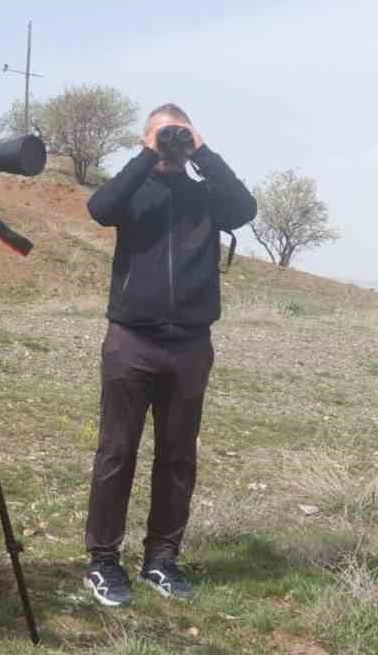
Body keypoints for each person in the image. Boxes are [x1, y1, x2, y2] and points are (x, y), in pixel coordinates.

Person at [80, 103, 256, 607]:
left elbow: (244, 209)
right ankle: (103, 562)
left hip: (191, 344)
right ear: (144, 139)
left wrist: (202, 152)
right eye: (162, 136)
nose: (171, 144)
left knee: (178, 456)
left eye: (178, 136)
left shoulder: (206, 197)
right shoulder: (133, 192)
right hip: (131, 339)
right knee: (117, 453)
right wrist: (147, 155)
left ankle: (161, 559)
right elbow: (100, 207)